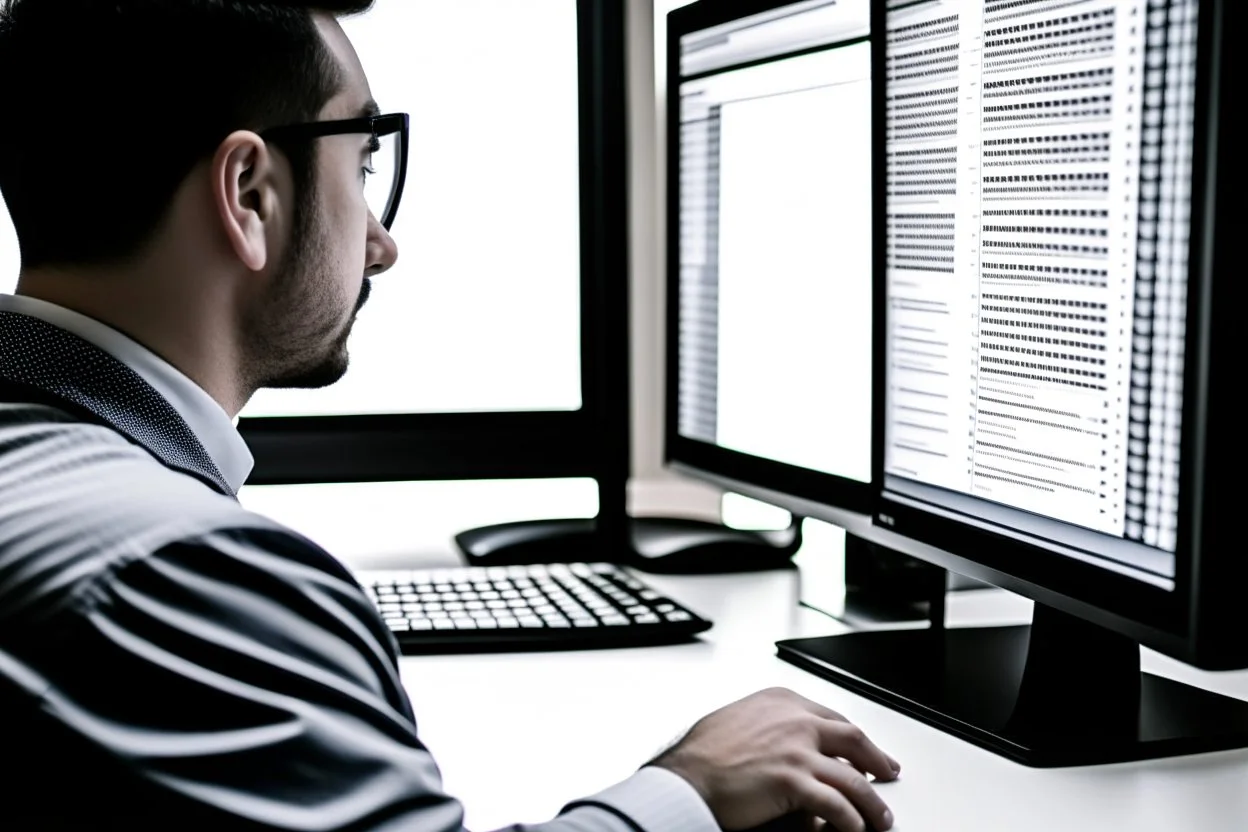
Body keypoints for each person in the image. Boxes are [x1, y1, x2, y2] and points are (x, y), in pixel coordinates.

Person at [0, 1, 900, 829]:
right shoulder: (190, 574)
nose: (382, 247)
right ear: (249, 194)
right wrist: (689, 790)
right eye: (362, 164)